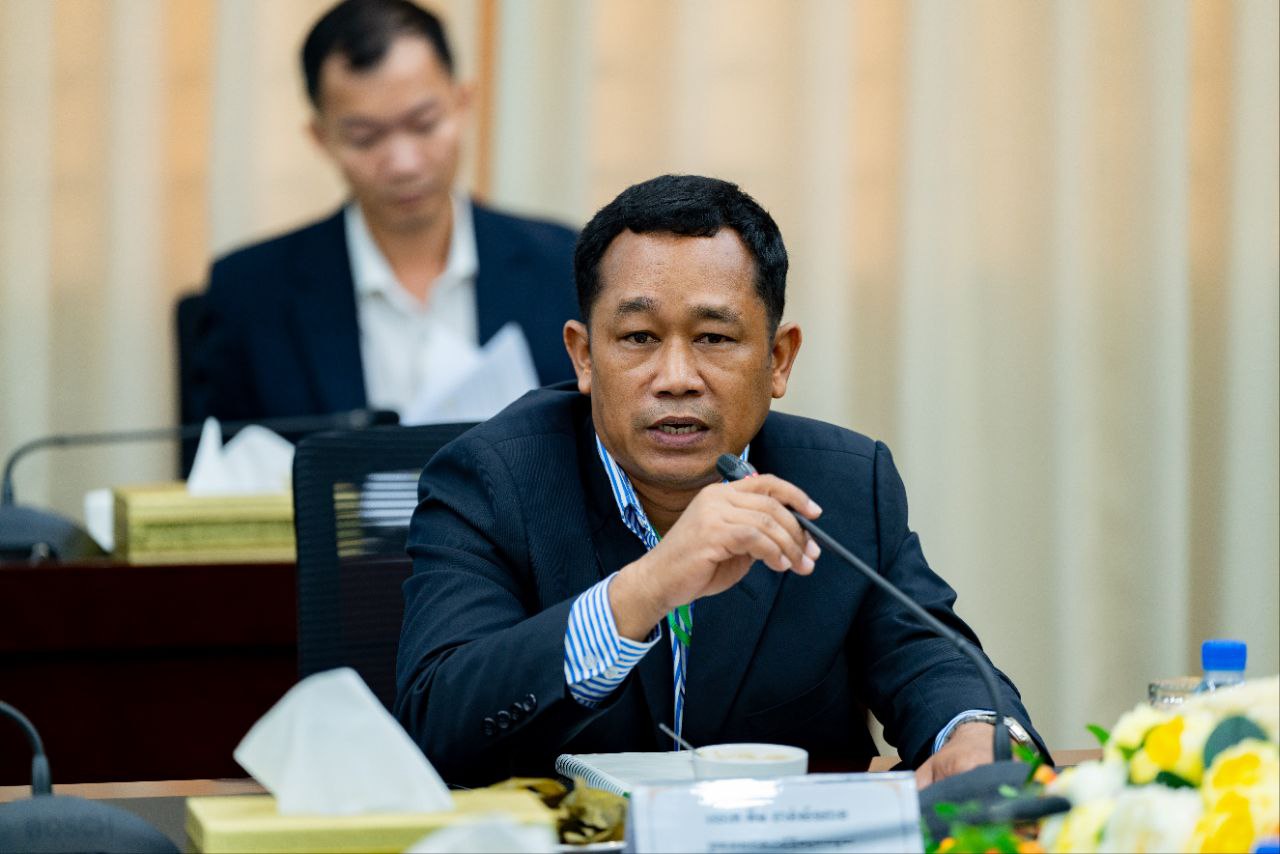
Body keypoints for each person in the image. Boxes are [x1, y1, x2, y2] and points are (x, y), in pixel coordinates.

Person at [395, 174, 1046, 788]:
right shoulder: (489, 480)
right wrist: (645, 589)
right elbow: (436, 721)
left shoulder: (843, 484)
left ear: (778, 359)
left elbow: (932, 661)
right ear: (584, 355)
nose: (676, 377)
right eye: (639, 337)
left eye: (712, 337)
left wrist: (973, 731)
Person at [189, 0, 578, 426]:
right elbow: (219, 461)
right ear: (321, 138)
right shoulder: (250, 294)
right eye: (365, 137)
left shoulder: (562, 264)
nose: (403, 163)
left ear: (462, 104)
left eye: (424, 123)